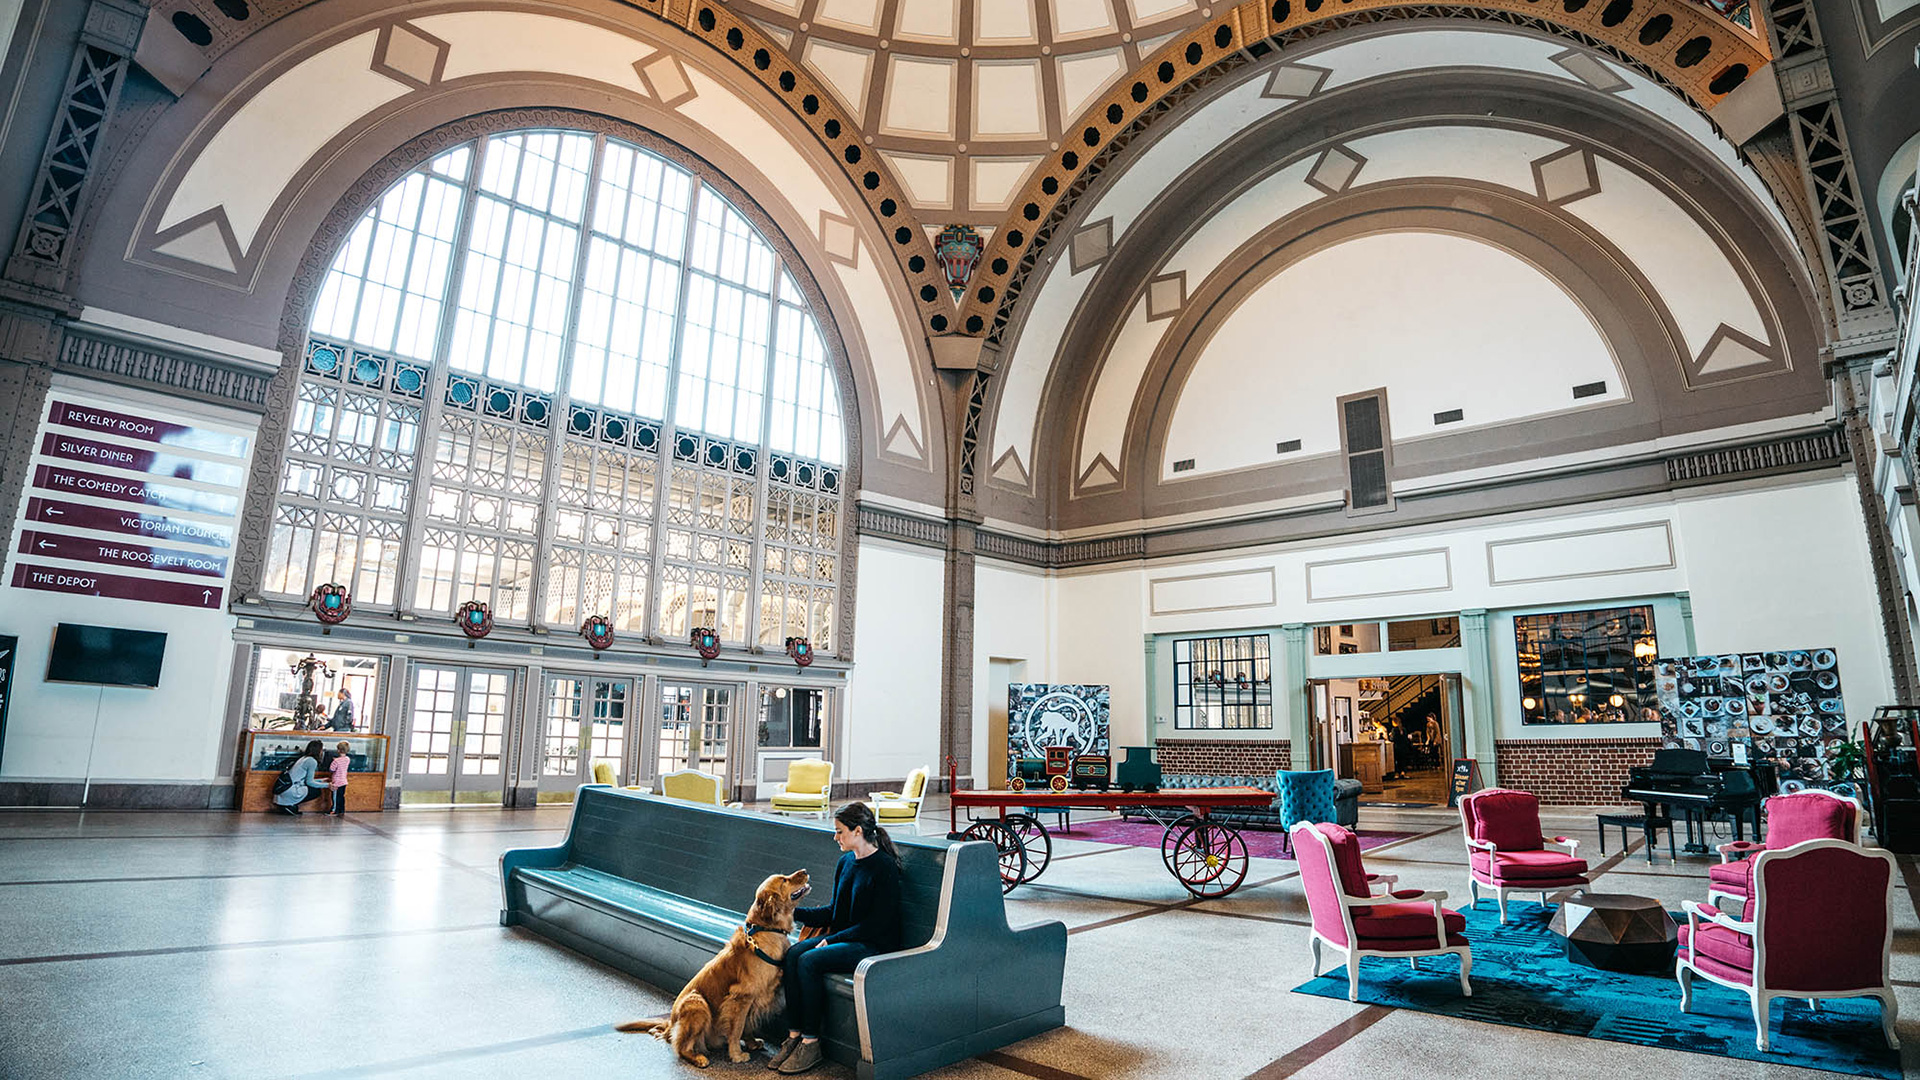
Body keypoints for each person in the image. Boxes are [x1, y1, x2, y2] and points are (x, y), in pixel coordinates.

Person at [768, 802, 903, 1075]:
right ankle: (794, 1035)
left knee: (809, 961)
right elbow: (835, 911)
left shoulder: (884, 868)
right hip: (845, 938)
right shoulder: (846, 862)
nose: (835, 837)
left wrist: (832, 940)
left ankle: (811, 1042)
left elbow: (877, 925)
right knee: (793, 954)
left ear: (857, 831)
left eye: (839, 831)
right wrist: (790, 911)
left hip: (873, 944)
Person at [272, 739, 331, 816]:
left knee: (313, 788)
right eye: (322, 750)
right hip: (291, 790)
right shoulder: (312, 761)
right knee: (316, 791)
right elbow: (309, 782)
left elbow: (302, 779)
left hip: (285, 789)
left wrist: (321, 780)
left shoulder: (304, 758)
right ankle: (289, 804)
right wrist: (328, 785)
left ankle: (289, 805)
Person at [326, 741, 352, 816]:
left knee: (335, 797)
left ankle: (334, 810)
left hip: (336, 783)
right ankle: (341, 810)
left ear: (338, 750)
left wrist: (334, 761)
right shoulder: (347, 759)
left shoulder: (336, 761)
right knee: (341, 797)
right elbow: (342, 762)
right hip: (344, 782)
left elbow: (332, 769)